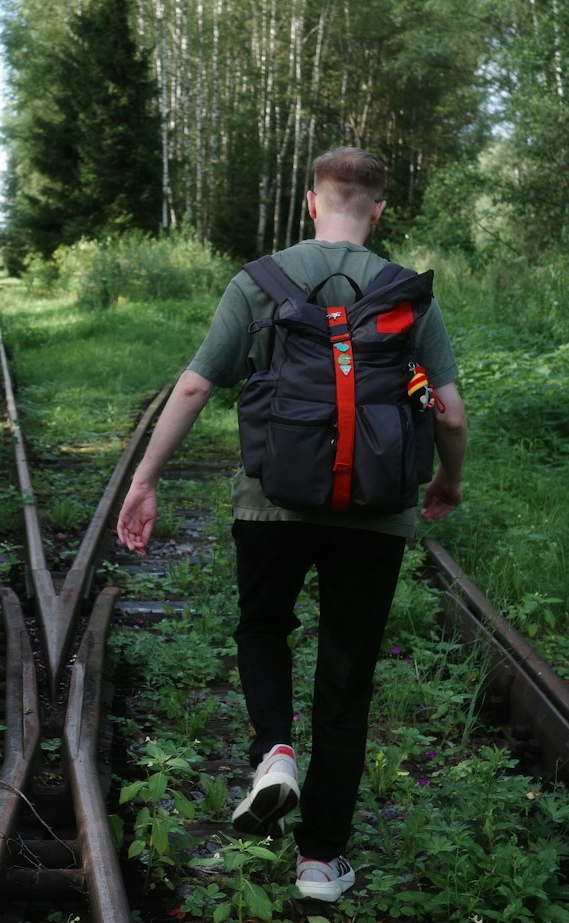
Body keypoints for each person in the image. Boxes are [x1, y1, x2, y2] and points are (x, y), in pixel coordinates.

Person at [115, 146, 467, 903]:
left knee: (263, 626)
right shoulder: (409, 292)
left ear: (312, 204)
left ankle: (274, 751)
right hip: (375, 515)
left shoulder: (259, 281)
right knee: (347, 677)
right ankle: (320, 862)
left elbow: (194, 384)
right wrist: (448, 480)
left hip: (271, 504)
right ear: (378, 210)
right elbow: (453, 414)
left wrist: (145, 480)